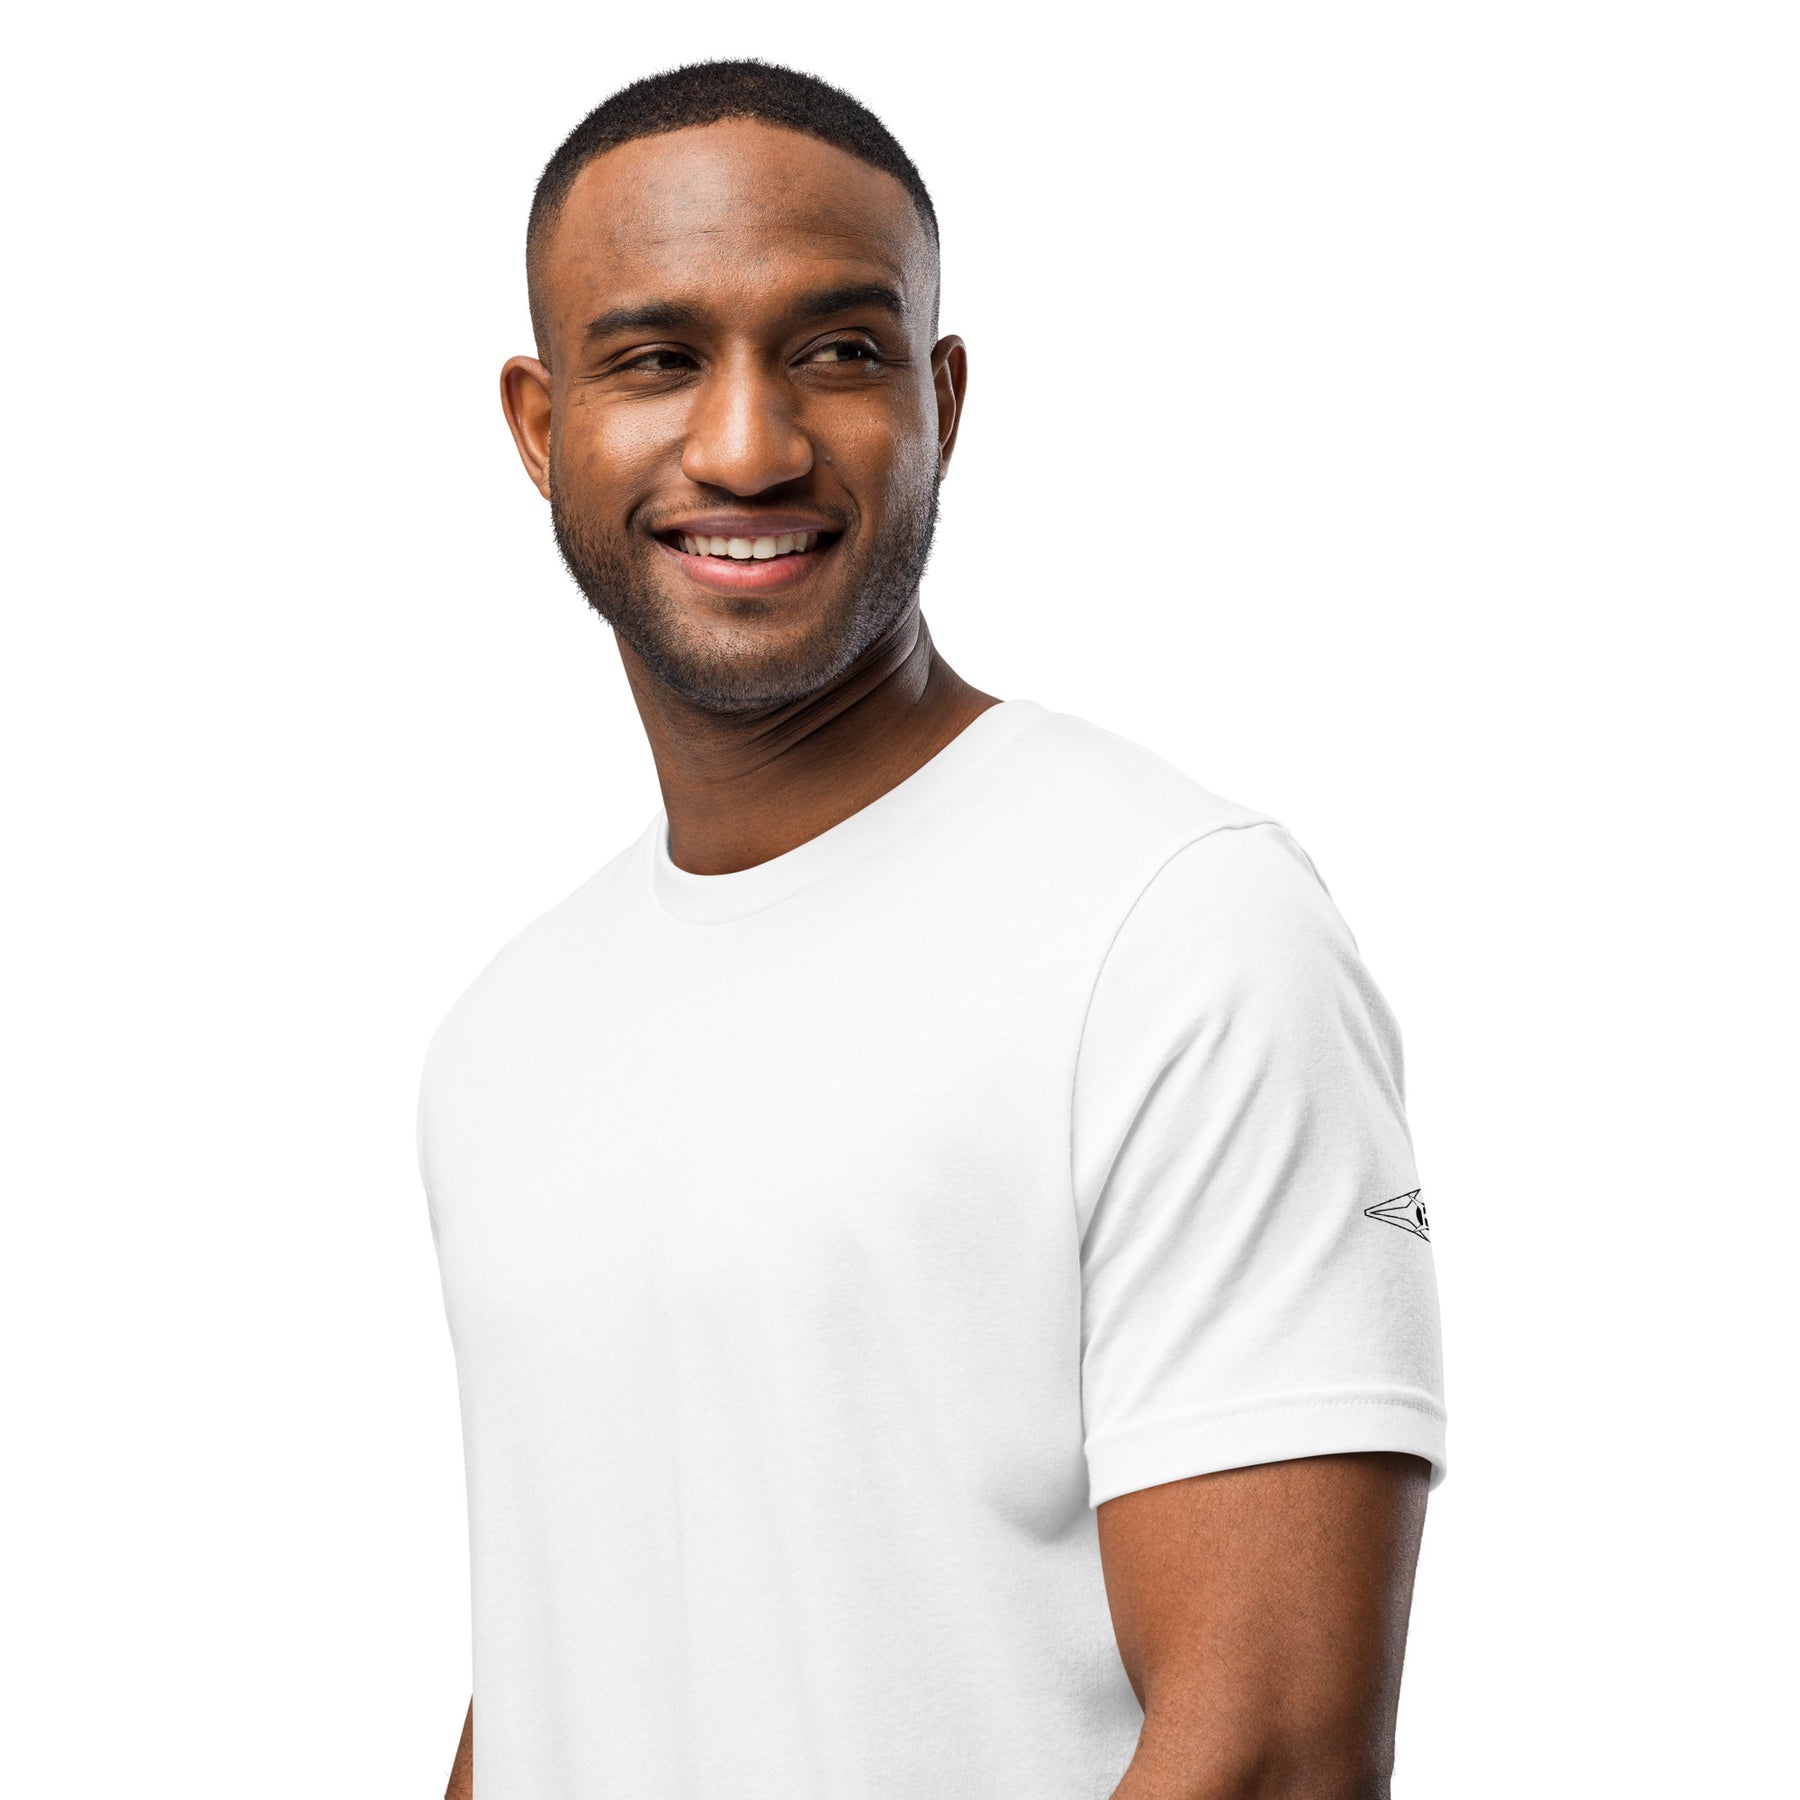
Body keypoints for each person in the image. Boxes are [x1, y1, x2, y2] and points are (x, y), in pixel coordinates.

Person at [419, 59, 1447, 1800]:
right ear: (540, 425)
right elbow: (566, 1671)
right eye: (657, 359)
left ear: (941, 399)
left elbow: (1272, 1752)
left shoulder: (1177, 933)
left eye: (837, 350)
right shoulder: (504, 1039)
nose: (747, 447)